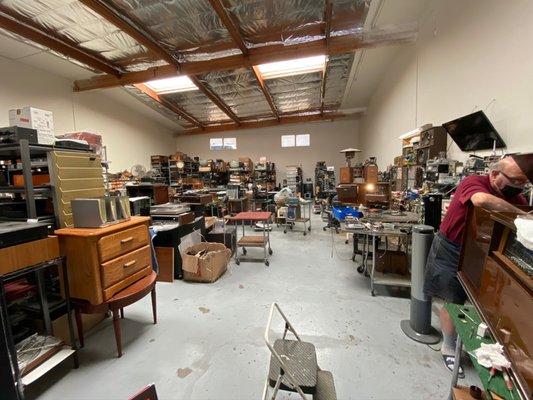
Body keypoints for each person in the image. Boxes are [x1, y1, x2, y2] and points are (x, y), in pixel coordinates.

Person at [423, 154, 531, 376]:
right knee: (450, 298)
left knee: (482, 299)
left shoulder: (517, 199)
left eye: (523, 183)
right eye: (514, 180)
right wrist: (521, 214)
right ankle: (448, 346)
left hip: (484, 252)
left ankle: (480, 341)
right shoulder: (474, 182)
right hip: (452, 247)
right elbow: (480, 201)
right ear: (493, 174)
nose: (518, 187)